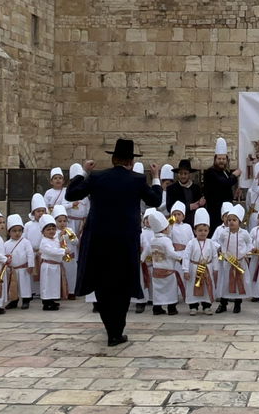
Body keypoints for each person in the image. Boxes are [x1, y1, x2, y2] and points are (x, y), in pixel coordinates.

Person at [65, 139, 163, 347]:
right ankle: (117, 331)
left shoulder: (97, 177)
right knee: (122, 283)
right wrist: (155, 177)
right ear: (130, 161)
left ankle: (111, 329)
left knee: (103, 284)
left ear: (113, 158)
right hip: (124, 240)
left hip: (99, 239)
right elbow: (155, 201)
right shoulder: (136, 179)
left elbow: (71, 194)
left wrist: (83, 171)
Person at [203, 138, 241, 226]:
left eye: (223, 159)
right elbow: (224, 183)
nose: (221, 161)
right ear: (215, 159)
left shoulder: (225, 172)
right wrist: (234, 175)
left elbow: (225, 189)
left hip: (226, 210)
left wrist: (234, 194)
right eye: (219, 158)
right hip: (215, 210)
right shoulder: (210, 172)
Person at [165, 159, 204, 226]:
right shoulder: (171, 188)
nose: (183, 176)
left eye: (185, 173)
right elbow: (169, 207)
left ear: (189, 174)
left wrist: (201, 202)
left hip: (193, 221)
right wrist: (188, 207)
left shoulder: (196, 188)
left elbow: (200, 204)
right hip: (176, 221)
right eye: (181, 173)